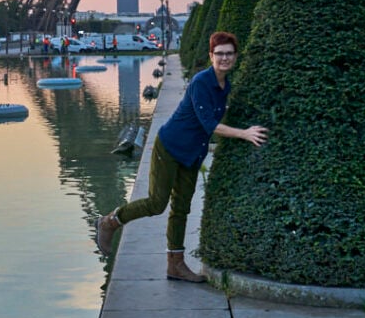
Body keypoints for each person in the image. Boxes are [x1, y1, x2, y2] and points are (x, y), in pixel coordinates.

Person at [94, 31, 268, 282]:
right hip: (170, 147)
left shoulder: (224, 85)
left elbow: (215, 114)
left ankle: (175, 265)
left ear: (236, 56)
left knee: (182, 209)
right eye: (219, 54)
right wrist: (244, 133)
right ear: (211, 56)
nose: (224, 58)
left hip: (192, 153)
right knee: (157, 203)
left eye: (229, 53)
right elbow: (209, 124)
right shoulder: (201, 82)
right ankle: (110, 222)